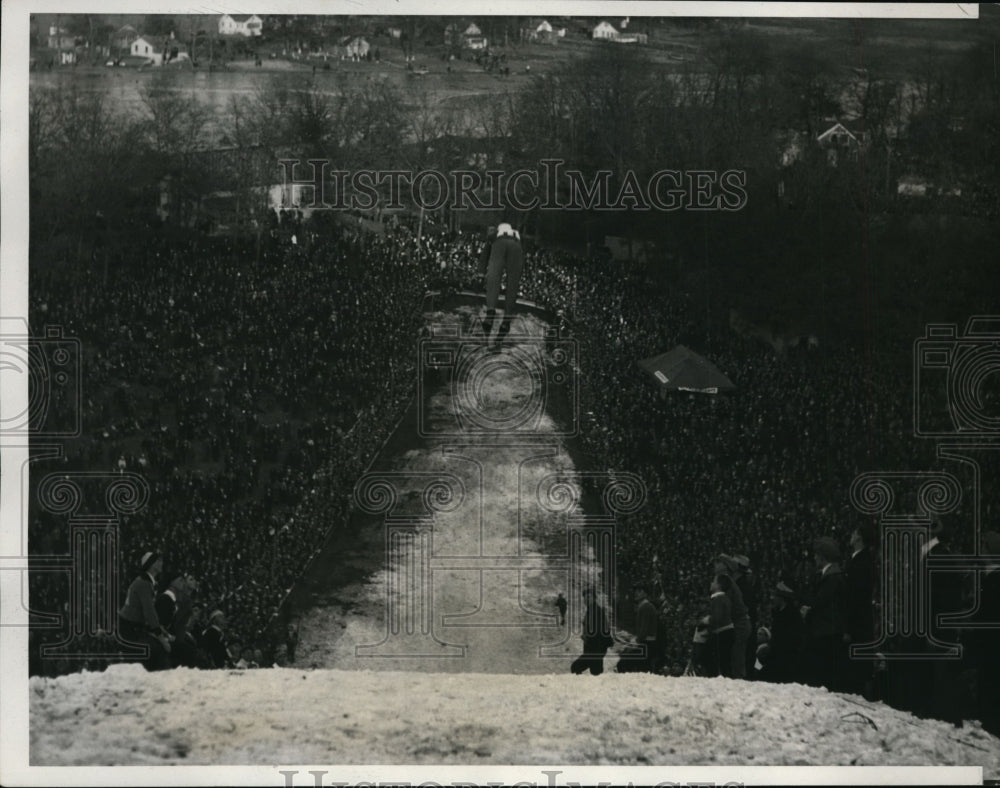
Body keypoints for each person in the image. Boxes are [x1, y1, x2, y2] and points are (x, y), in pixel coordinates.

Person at [801, 535, 848, 691]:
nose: (814, 557)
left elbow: (820, 601)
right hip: (828, 630)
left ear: (823, 557)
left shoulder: (832, 577)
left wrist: (808, 608)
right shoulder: (832, 575)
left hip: (826, 631)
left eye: (816, 554)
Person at [118, 551, 171, 671]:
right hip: (129, 631)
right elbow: (149, 612)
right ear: (151, 564)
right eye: (158, 561)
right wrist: (162, 639)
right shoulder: (144, 584)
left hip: (131, 628)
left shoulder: (144, 581)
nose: (161, 563)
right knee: (158, 650)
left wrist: (162, 631)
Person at [844, 523, 877, 696]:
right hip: (861, 622)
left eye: (855, 532)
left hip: (857, 624)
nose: (852, 534)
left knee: (855, 667)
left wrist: (848, 627)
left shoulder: (860, 563)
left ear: (860, 538)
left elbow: (855, 598)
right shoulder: (861, 560)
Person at [479, 222, 523, 344]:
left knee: (494, 277)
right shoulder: (515, 236)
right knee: (512, 285)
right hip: (517, 248)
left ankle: (490, 314)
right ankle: (506, 321)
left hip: (500, 245)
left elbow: (484, 256)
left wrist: (481, 274)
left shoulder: (495, 237)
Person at [760, 581, 803, 684]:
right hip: (778, 657)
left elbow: (788, 639)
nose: (772, 598)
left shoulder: (791, 615)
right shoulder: (780, 612)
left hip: (785, 661)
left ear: (782, 598)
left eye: (774, 596)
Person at [617, 583, 659, 673]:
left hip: (646, 645)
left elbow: (644, 629)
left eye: (639, 591)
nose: (636, 593)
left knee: (623, 664)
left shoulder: (646, 607)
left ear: (645, 594)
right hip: (646, 644)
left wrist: (636, 641)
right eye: (636, 591)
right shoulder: (644, 607)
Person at [570, 588, 613, 676]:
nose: (586, 599)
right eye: (585, 598)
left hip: (596, 647)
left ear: (594, 598)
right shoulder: (591, 610)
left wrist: (588, 637)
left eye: (589, 597)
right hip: (594, 647)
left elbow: (598, 630)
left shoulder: (596, 610)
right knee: (595, 672)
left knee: (576, 667)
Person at [707, 575, 735, 678]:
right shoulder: (723, 598)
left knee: (722, 664)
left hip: (722, 634)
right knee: (725, 663)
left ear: (719, 585)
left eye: (713, 581)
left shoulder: (718, 599)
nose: (711, 583)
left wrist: (706, 620)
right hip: (726, 632)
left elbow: (717, 618)